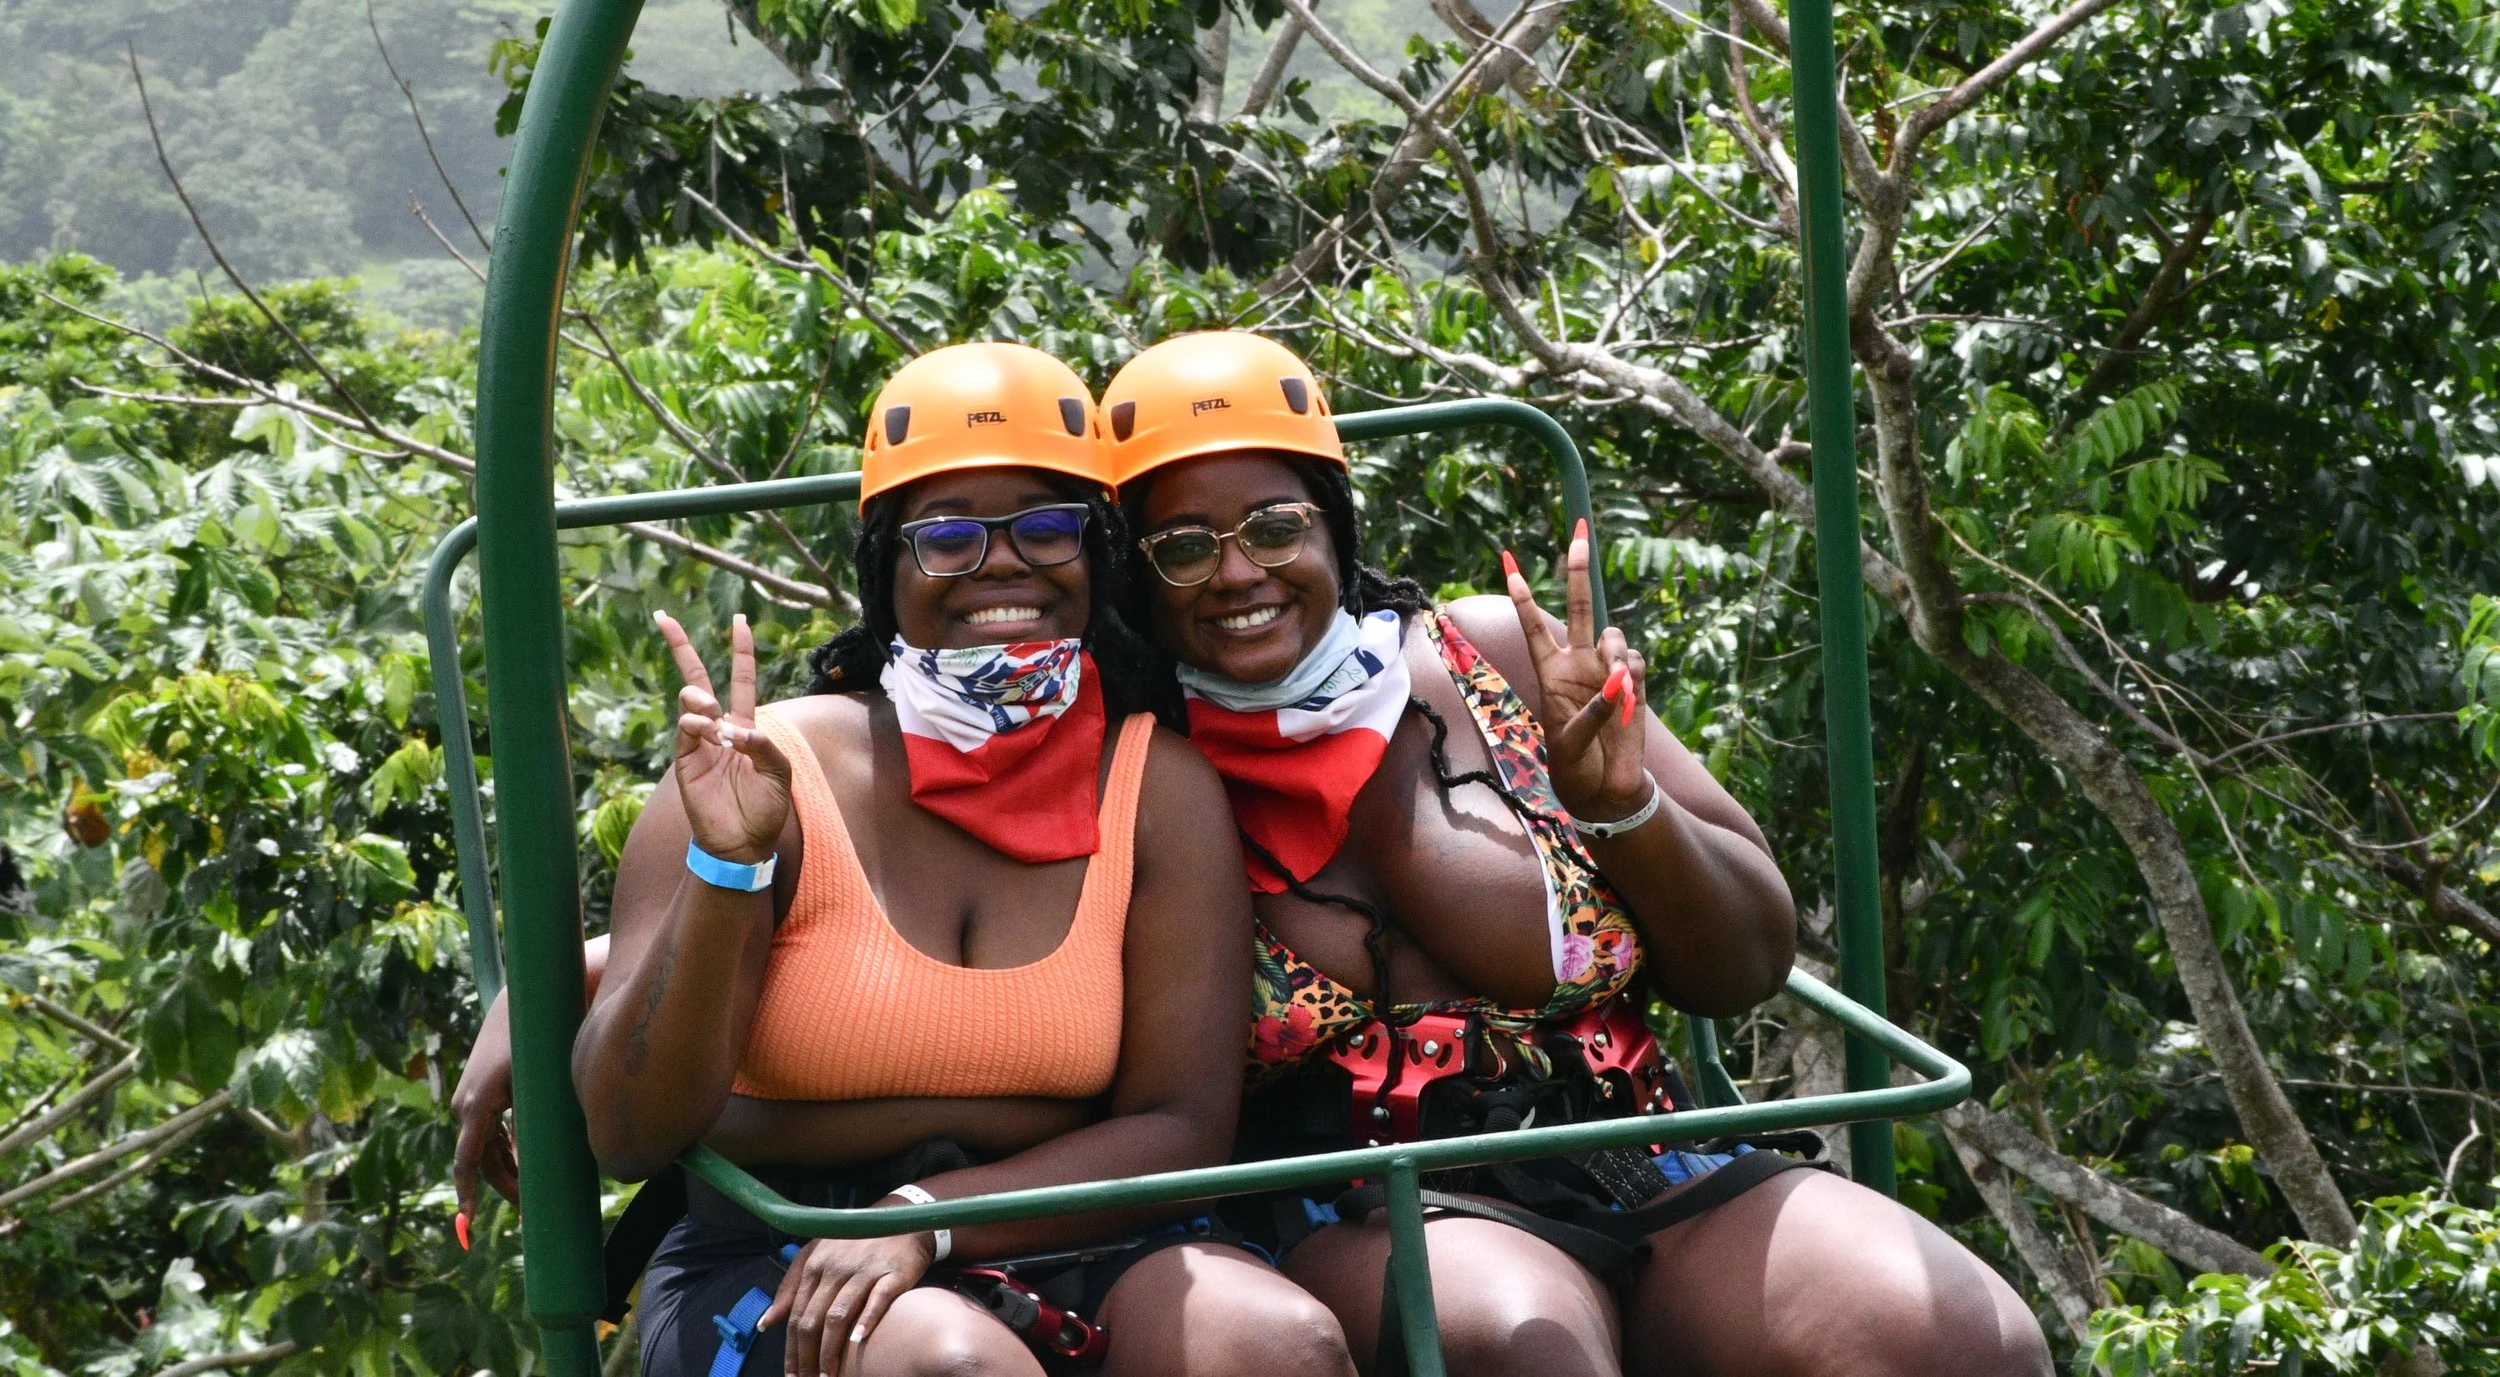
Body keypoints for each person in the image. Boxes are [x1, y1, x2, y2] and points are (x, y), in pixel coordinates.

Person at [1097, 330, 2052, 1377]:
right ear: (1137, 577)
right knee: (1527, 1345)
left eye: (1276, 528)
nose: (1238, 572)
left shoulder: (1494, 659)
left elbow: (1745, 963)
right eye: (1183, 546)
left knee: (1960, 1335)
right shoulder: (1141, 765)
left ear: (1334, 525)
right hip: (1362, 1198)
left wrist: (1622, 806)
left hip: (1643, 1154)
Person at [518, 343, 1352, 1377]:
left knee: (1280, 1341)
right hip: (782, 1243)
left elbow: (1178, 1122)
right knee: (951, 1363)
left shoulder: (1155, 785)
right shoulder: (770, 773)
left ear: (1094, 557)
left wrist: (928, 1214)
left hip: (1060, 1223)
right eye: (947, 537)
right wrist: (725, 871)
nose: (1001, 564)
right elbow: (631, 1129)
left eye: (1045, 529)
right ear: (887, 570)